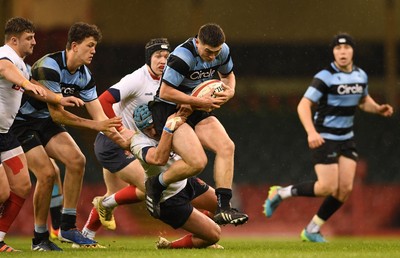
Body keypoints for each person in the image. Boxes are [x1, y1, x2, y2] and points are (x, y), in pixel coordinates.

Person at [263, 33, 394, 242]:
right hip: (324, 137)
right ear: (333, 52)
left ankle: (312, 229)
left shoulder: (361, 75)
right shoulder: (325, 77)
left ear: (352, 51)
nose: (342, 52)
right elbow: (303, 105)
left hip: (346, 138)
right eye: (338, 49)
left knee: (345, 189)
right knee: (327, 187)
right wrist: (311, 132)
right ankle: (281, 192)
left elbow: (363, 100)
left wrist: (378, 108)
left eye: (346, 48)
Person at [11, 21, 128, 250]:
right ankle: (40, 238)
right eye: (90, 46)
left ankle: (68, 228)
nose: (94, 51)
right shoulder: (49, 66)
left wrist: (128, 144)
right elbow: (58, 115)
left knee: (77, 161)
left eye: (95, 46)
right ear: (74, 46)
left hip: (44, 123)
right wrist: (96, 126)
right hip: (22, 124)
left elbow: (99, 116)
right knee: (46, 174)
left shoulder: (84, 75)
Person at [148, 23, 248, 225]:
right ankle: (156, 184)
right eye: (208, 51)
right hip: (170, 110)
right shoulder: (182, 56)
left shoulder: (222, 51)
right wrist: (200, 102)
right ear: (197, 42)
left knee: (227, 146)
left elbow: (228, 75)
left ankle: (224, 208)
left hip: (196, 106)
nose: (212, 57)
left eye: (216, 52)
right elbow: (165, 92)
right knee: (197, 163)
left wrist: (230, 91)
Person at [0, 17, 84, 252]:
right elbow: (5, 70)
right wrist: (26, 85)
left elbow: (33, 84)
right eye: (29, 38)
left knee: (23, 185)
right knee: (3, 192)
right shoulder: (5, 56)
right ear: (14, 40)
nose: (35, 42)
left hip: (5, 135)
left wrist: (58, 98)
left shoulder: (23, 65)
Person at [81, 38, 171, 239]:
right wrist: (120, 130)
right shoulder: (137, 79)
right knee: (151, 186)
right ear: (149, 58)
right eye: (158, 56)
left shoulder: (167, 80)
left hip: (131, 144)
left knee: (112, 195)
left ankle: (85, 237)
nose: (162, 60)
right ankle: (105, 205)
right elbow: (103, 100)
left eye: (166, 56)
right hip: (114, 143)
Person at [131, 104, 223, 249]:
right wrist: (168, 128)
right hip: (167, 199)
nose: (154, 131)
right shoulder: (138, 142)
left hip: (185, 182)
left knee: (222, 207)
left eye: (154, 125)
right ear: (141, 130)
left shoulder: (169, 124)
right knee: (214, 236)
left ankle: (202, 228)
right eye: (148, 130)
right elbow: (157, 159)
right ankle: (170, 246)